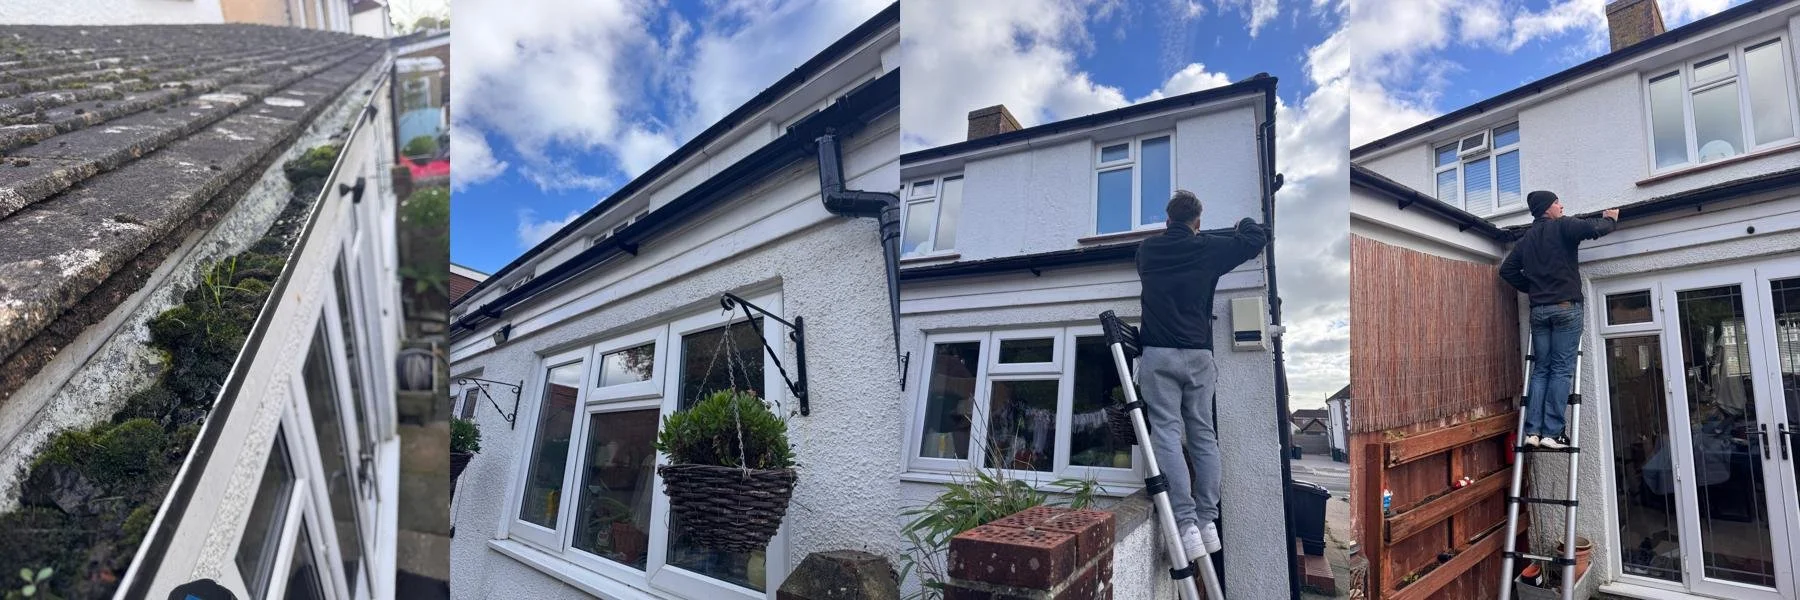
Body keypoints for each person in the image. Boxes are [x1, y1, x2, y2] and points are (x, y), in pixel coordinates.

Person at [1135, 189, 1267, 559]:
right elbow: (1256, 239)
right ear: (1197, 221)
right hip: (1198, 355)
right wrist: (1241, 225)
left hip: (1158, 353)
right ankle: (1208, 521)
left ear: (1166, 221)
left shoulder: (1147, 250)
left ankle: (1186, 522)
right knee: (1202, 436)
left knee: (1166, 432)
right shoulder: (1208, 247)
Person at [1499, 190, 1619, 450]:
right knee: (1562, 369)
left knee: (1541, 369)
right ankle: (1553, 433)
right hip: (1565, 308)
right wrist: (1610, 219)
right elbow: (1593, 229)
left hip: (1539, 311)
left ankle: (1532, 432)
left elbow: (1506, 270)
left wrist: (1533, 288)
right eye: (1557, 202)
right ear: (1547, 208)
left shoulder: (1527, 239)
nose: (1561, 206)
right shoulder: (1563, 226)